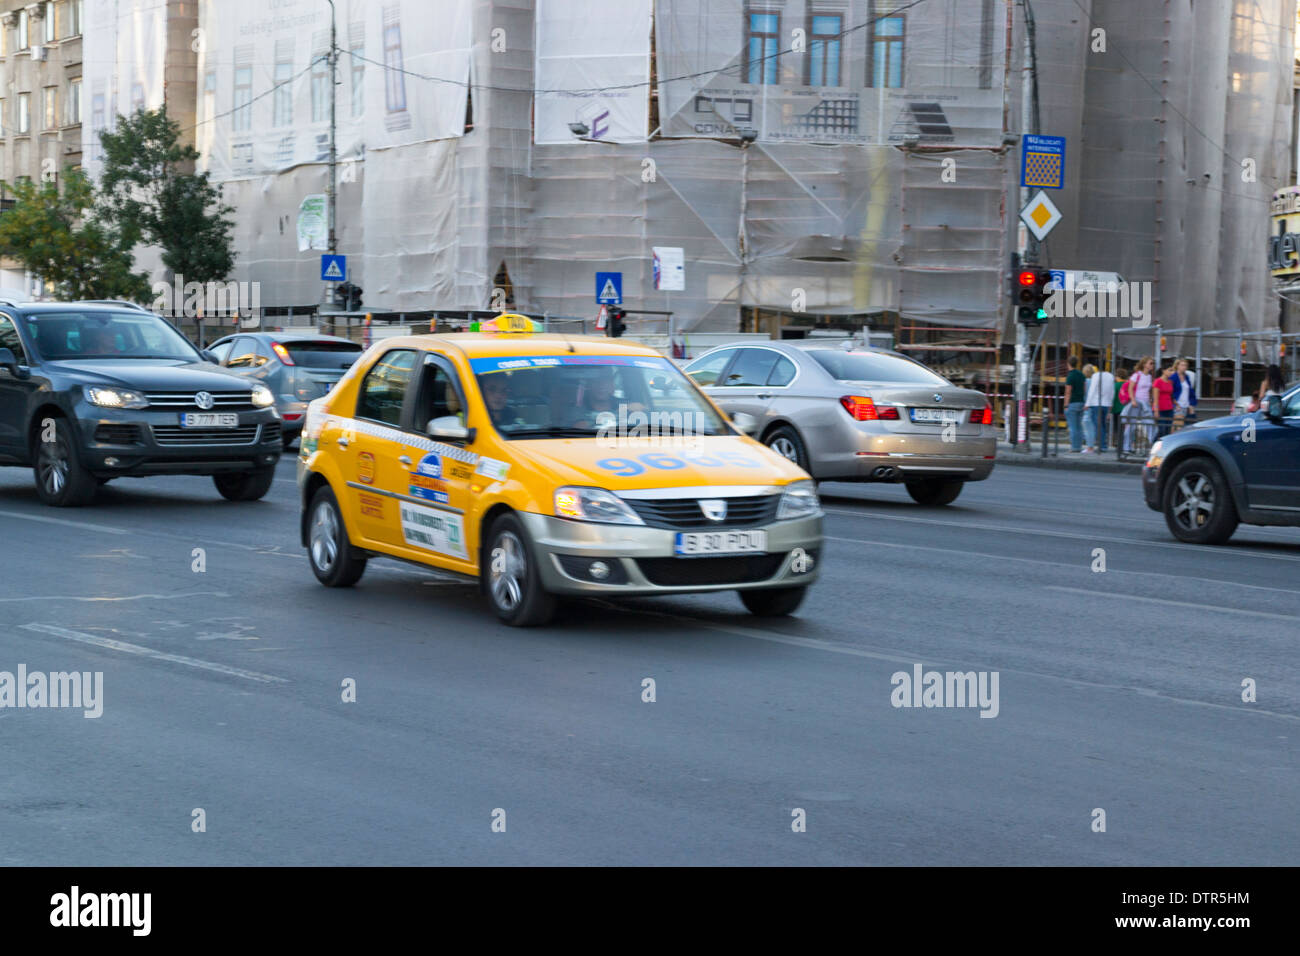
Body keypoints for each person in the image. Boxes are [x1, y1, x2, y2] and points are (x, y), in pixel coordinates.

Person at [1121, 356, 1155, 454]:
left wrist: (1150, 400)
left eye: (1152, 363)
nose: (1152, 365)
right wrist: (1133, 400)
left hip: (1146, 403)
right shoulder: (1137, 375)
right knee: (1131, 425)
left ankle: (1149, 447)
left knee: (1150, 424)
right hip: (1136, 401)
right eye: (1150, 363)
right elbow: (1130, 388)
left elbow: (1149, 390)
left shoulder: (1149, 376)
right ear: (1144, 364)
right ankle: (1126, 447)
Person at [1084, 363, 1114, 453]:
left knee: (1098, 426)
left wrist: (1087, 403)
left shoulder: (1096, 376)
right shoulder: (1110, 376)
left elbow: (1092, 390)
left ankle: (1101, 446)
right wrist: (1110, 404)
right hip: (1106, 404)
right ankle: (1104, 445)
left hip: (1096, 403)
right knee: (1103, 426)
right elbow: (1112, 391)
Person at [1064, 356, 1086, 452]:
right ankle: (1079, 446)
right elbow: (1085, 389)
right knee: (1079, 426)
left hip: (1072, 403)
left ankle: (1074, 447)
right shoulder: (1081, 375)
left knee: (1072, 426)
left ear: (1068, 363)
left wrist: (1066, 405)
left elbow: (1068, 391)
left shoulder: (1070, 376)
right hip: (1081, 402)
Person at [1171, 358, 1197, 429]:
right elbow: (1170, 392)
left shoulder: (1187, 377)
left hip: (1187, 405)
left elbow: (1190, 391)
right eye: (1182, 365)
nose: (1184, 367)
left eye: (1185, 365)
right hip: (1178, 405)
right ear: (1177, 366)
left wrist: (1191, 404)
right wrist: (1175, 404)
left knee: (1188, 426)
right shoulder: (1173, 377)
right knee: (1178, 426)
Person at [1152, 364, 1176, 437]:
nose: (1172, 372)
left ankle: (1165, 447)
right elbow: (1155, 398)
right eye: (1170, 370)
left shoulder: (1170, 382)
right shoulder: (1157, 381)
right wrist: (1156, 410)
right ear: (1163, 371)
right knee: (1161, 429)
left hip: (1169, 409)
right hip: (1160, 409)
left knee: (1168, 430)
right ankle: (1155, 445)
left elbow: (1171, 395)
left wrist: (1176, 404)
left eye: (1173, 370)